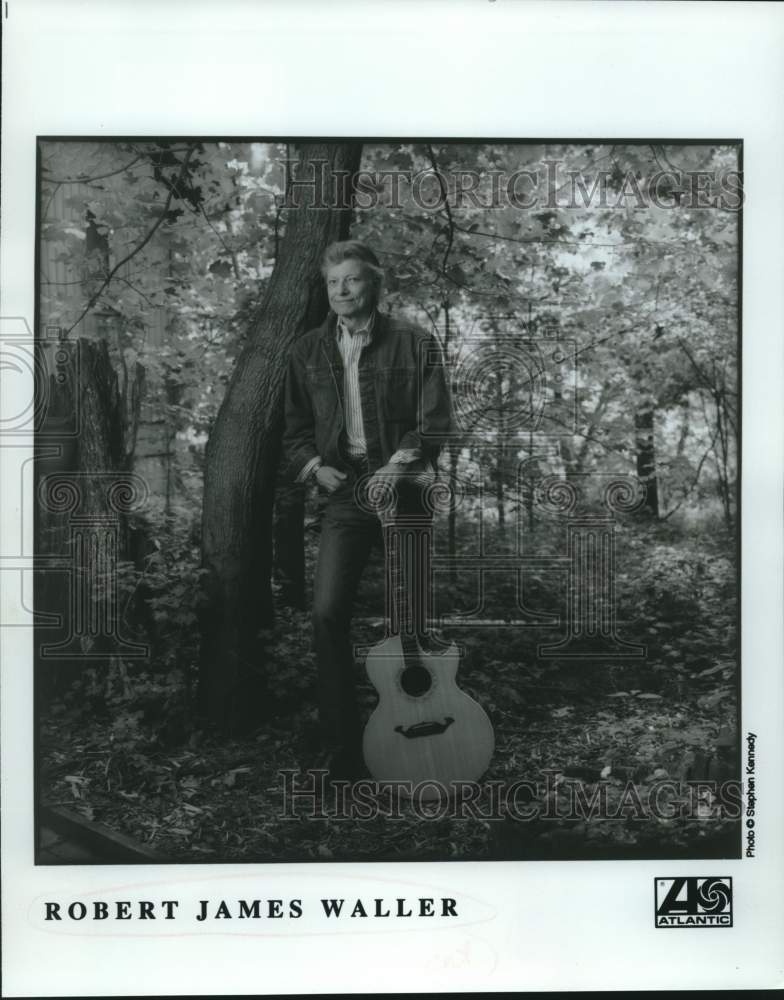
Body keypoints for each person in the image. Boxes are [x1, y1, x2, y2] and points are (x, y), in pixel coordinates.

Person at [283, 240, 452, 781]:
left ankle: (423, 730)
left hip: (404, 488)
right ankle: (346, 748)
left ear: (374, 284)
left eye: (352, 280)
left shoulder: (414, 342)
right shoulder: (307, 351)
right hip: (345, 492)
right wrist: (314, 467)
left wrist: (396, 468)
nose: (341, 290)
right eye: (333, 282)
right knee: (327, 612)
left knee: (412, 616)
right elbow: (293, 430)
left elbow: (434, 421)